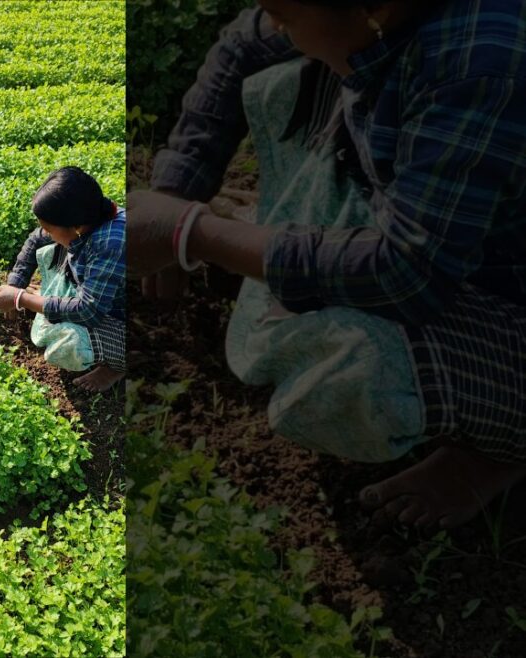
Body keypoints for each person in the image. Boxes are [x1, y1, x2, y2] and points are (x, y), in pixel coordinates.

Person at [131, 0, 526, 530]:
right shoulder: (383, 17)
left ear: (372, 12)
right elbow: (242, 45)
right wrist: (179, 187)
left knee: (347, 370)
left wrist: (190, 233)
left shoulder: (482, 62)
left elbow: (407, 273)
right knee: (290, 77)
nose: (273, 24)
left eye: (285, 15)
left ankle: (504, 449)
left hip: (495, 292)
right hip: (460, 244)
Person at [0, 166, 126, 392]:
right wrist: (15, 283)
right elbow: (35, 240)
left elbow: (88, 310)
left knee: (67, 344)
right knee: (52, 250)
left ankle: (119, 365)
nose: (45, 233)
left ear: (76, 226)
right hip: (109, 301)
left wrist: (20, 298)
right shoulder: (89, 216)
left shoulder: (112, 243)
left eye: (49, 228)